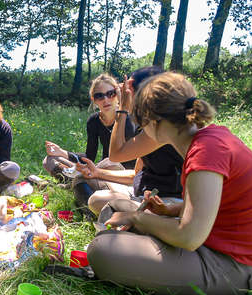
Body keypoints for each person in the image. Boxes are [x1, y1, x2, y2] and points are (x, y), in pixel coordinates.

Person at [84, 72, 252, 295]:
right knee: (117, 211)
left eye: (141, 123)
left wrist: (137, 218)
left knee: (101, 251)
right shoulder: (207, 140)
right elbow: (215, 204)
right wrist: (171, 210)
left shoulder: (206, 152)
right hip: (208, 243)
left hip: (229, 267)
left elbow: (189, 237)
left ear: (154, 123)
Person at [76, 66, 184, 215]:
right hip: (140, 191)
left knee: (97, 200)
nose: (122, 95)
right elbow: (135, 174)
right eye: (100, 96)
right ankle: (122, 215)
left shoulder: (161, 128)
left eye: (122, 91)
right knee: (85, 183)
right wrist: (97, 172)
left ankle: (131, 220)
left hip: (163, 202)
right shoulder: (147, 124)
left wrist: (122, 109)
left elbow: (115, 155)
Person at [42, 73, 138, 207]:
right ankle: (77, 182)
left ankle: (75, 184)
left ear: (118, 95)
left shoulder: (128, 118)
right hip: (101, 170)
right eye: (99, 96)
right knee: (49, 160)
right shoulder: (93, 121)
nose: (105, 99)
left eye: (110, 94)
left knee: (107, 162)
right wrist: (62, 152)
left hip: (121, 174)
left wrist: (122, 111)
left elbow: (120, 158)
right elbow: (90, 156)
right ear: (94, 100)